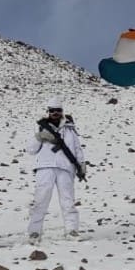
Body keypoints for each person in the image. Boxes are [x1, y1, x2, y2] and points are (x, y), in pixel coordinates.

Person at [26, 96, 87, 244]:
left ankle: (72, 230)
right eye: (52, 110)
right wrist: (39, 137)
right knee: (41, 200)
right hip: (45, 166)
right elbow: (31, 150)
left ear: (62, 111)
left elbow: (76, 148)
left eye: (58, 110)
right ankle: (34, 232)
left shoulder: (70, 128)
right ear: (48, 111)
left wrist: (82, 164)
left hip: (66, 168)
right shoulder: (40, 126)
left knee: (68, 201)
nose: (55, 113)